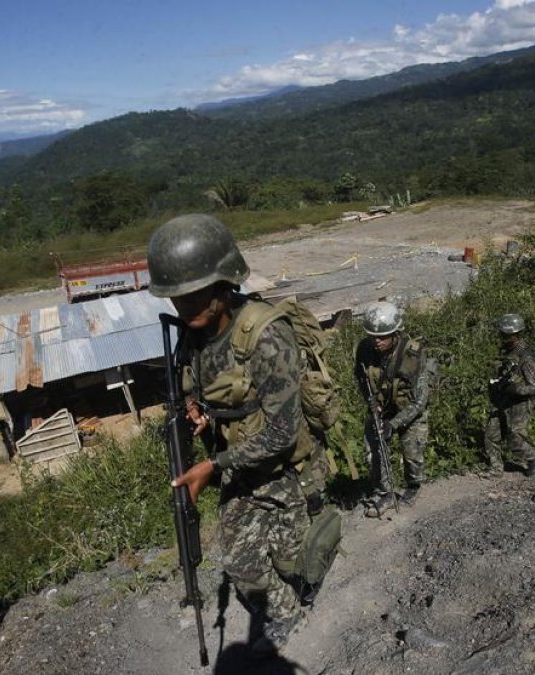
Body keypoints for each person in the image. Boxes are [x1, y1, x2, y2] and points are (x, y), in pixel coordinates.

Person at [148, 214, 311, 656]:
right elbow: (197, 387)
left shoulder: (267, 336)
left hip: (281, 467)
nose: (182, 306)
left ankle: (300, 587)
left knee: (295, 558)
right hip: (238, 464)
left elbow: (282, 431)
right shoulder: (192, 336)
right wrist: (199, 411)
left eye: (191, 294)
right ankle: (286, 612)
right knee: (241, 564)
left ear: (222, 287)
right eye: (176, 297)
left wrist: (212, 465)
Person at [354, 301, 435, 517]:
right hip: (382, 409)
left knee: (412, 453)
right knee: (373, 451)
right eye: (372, 336)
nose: (376, 341)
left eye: (382, 337)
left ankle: (414, 487)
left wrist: (394, 423)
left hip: (410, 410)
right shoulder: (364, 350)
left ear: (395, 333)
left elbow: (420, 401)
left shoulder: (414, 355)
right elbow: (362, 381)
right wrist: (373, 405)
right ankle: (384, 491)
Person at [482, 313, 535, 477]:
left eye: (505, 335)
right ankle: (495, 468)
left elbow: (534, 387)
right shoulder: (506, 351)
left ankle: (532, 457)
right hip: (502, 398)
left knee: (515, 437)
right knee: (491, 434)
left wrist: (514, 389)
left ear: (516, 334)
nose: (502, 337)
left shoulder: (526, 357)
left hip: (519, 403)